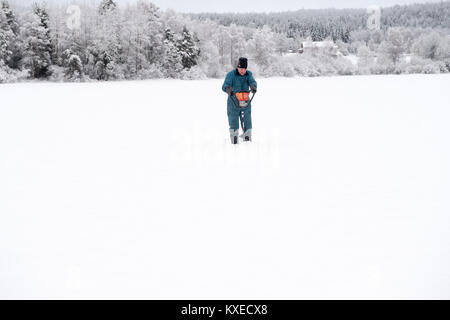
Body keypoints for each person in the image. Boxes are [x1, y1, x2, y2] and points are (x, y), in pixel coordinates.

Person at [222, 57, 257, 144]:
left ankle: (247, 136)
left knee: (247, 118)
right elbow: (225, 85)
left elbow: (252, 81)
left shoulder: (248, 74)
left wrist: (253, 86)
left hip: (245, 100)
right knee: (233, 118)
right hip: (233, 100)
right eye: (241, 68)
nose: (242, 71)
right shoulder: (231, 75)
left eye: (244, 69)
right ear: (237, 67)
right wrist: (228, 89)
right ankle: (234, 137)